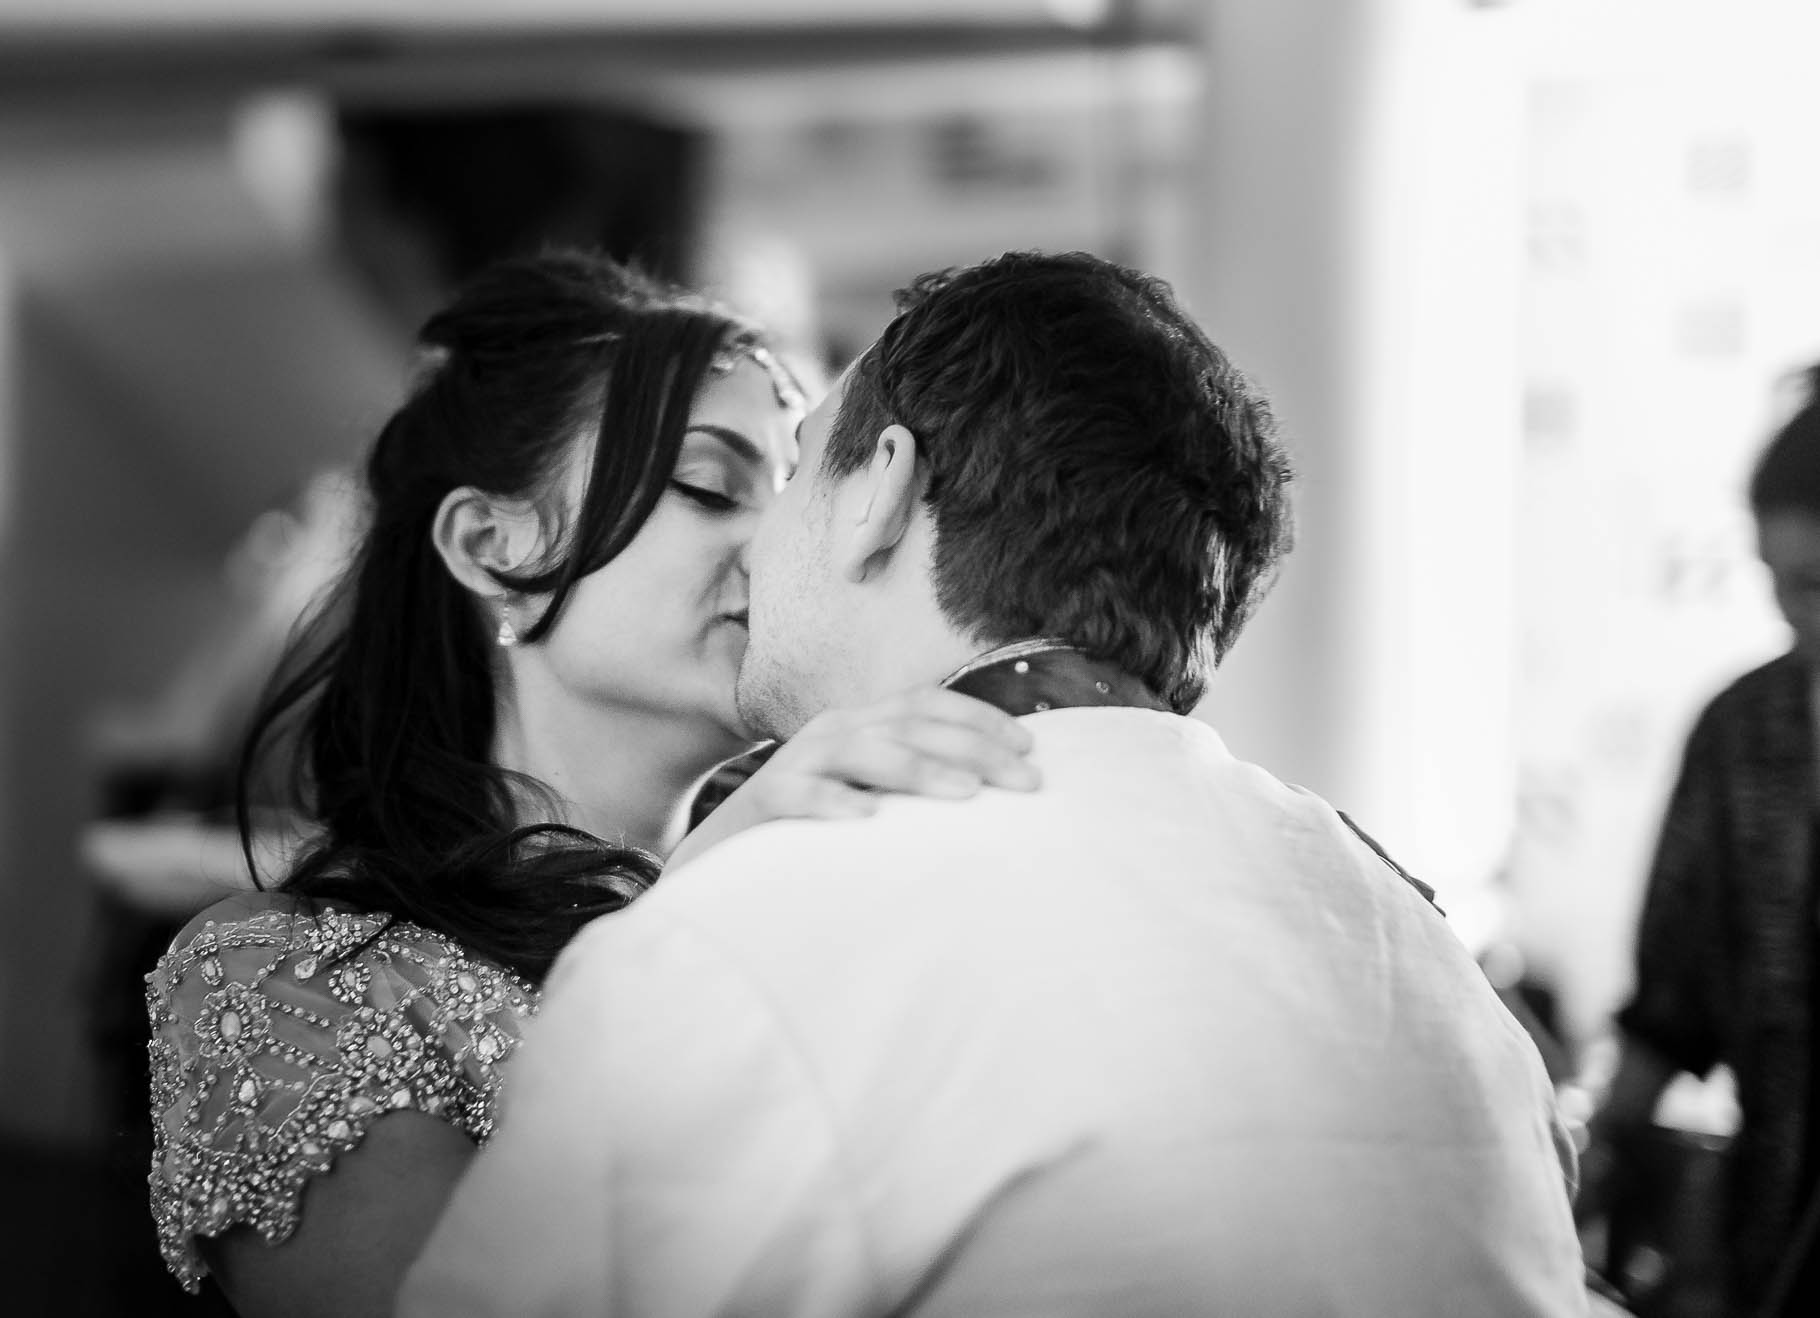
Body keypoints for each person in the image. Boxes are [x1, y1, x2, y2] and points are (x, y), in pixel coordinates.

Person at [399, 251, 1591, 1317]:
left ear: (876, 490)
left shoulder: (752, 933)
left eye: (795, 471)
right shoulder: (1422, 951)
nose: (755, 548)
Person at [145, 252, 1039, 1318]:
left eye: (798, 496)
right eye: (712, 486)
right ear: (493, 546)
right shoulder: (280, 977)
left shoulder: (816, 910)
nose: (779, 549)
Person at [1581, 365, 1820, 1317]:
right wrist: (1582, 1162)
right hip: (1769, 1256)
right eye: (1773, 579)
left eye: (1815, 582)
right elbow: (1670, 1008)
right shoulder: (1741, 732)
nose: (1788, 614)